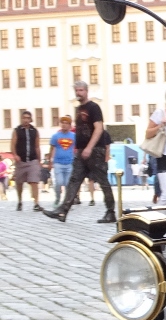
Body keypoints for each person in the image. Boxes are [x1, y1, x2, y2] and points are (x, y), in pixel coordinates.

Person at [44, 81, 115, 223]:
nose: (78, 93)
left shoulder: (93, 107)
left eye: (81, 90)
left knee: (103, 181)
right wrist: (80, 149)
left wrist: (89, 147)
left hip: (95, 150)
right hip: (82, 151)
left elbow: (99, 128)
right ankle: (63, 210)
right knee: (74, 179)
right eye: (76, 90)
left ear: (86, 91)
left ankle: (110, 212)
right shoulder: (78, 109)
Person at [10, 110, 43, 211]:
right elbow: (12, 144)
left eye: (28, 118)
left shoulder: (34, 131)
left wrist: (39, 159)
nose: (26, 120)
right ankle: (20, 201)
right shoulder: (17, 130)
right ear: (21, 119)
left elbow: (37, 146)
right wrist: (15, 155)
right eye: (24, 118)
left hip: (32, 160)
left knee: (34, 181)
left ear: (31, 119)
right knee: (19, 182)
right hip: (21, 160)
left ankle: (36, 203)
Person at [47, 116, 77, 208]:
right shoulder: (55, 136)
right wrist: (50, 161)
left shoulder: (74, 136)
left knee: (68, 184)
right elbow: (51, 149)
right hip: (58, 163)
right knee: (59, 182)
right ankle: (57, 198)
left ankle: (66, 202)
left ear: (70, 125)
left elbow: (77, 149)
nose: (64, 125)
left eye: (66, 123)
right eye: (62, 123)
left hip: (69, 163)